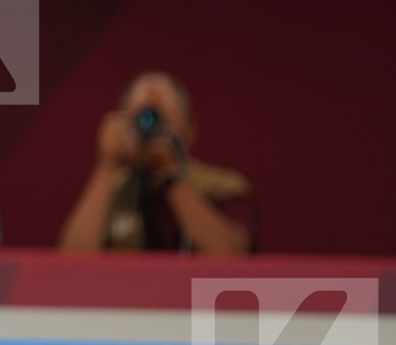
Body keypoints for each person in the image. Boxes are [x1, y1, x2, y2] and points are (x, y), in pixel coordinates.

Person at [57, 72, 254, 255]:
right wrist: (106, 165)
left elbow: (233, 258)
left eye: (160, 118)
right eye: (140, 117)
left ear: (190, 128)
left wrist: (172, 175)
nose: (149, 126)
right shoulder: (116, 191)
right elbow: (72, 260)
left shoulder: (223, 188)